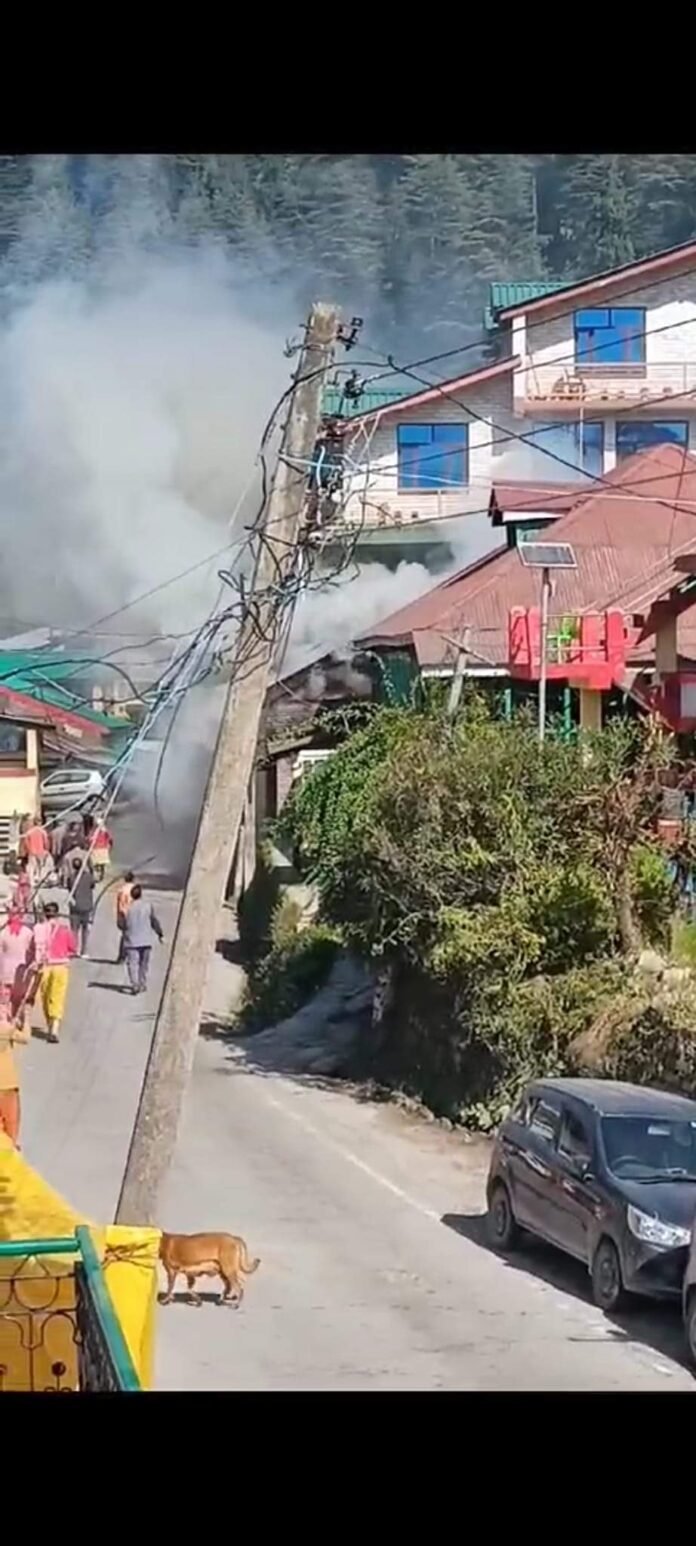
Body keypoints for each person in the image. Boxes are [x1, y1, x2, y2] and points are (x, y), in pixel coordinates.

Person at [30, 902, 77, 1043]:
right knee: (58, 996)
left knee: (45, 996)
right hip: (61, 966)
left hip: (45, 967)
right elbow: (73, 948)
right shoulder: (64, 930)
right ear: (57, 914)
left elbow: (33, 948)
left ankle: (50, 1022)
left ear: (45, 914)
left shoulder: (38, 929)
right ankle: (54, 1027)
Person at [122, 884, 164, 995]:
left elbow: (123, 924)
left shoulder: (127, 908)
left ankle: (135, 984)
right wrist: (160, 934)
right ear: (141, 894)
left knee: (133, 964)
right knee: (143, 964)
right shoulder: (148, 906)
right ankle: (142, 982)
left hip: (131, 941)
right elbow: (154, 921)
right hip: (145, 940)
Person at [0, 1003, 30, 1146]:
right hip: (7, 1083)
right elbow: (25, 1038)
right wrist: (26, 1019)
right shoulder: (6, 1028)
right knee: (11, 1121)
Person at [0, 909, 33, 1018]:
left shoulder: (3, 932)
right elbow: (32, 951)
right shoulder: (28, 933)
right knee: (19, 996)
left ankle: (4, 1018)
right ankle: (16, 1017)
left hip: (5, 969)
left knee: (4, 996)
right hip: (21, 970)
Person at [69, 857, 95, 958]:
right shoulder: (88, 877)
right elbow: (92, 885)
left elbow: (69, 888)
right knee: (85, 929)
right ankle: (84, 951)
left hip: (75, 906)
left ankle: (74, 950)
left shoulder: (71, 878)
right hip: (87, 906)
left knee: (74, 930)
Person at [20, 815, 50, 889]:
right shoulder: (43, 832)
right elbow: (46, 842)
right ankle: (39, 880)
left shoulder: (30, 832)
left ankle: (32, 882)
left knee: (32, 867)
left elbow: (26, 842)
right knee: (40, 867)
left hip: (32, 851)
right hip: (41, 851)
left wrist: (29, 850)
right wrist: (46, 850)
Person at [115, 871, 135, 964]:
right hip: (132, 915)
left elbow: (119, 904)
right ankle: (129, 957)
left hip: (123, 914)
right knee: (132, 936)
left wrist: (119, 916)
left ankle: (121, 957)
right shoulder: (135, 889)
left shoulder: (121, 890)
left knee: (124, 936)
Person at [90, 817, 113, 883]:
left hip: (98, 849)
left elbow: (91, 839)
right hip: (101, 849)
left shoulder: (97, 831)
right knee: (100, 864)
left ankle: (98, 876)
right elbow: (110, 839)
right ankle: (100, 876)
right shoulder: (103, 831)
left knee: (97, 864)